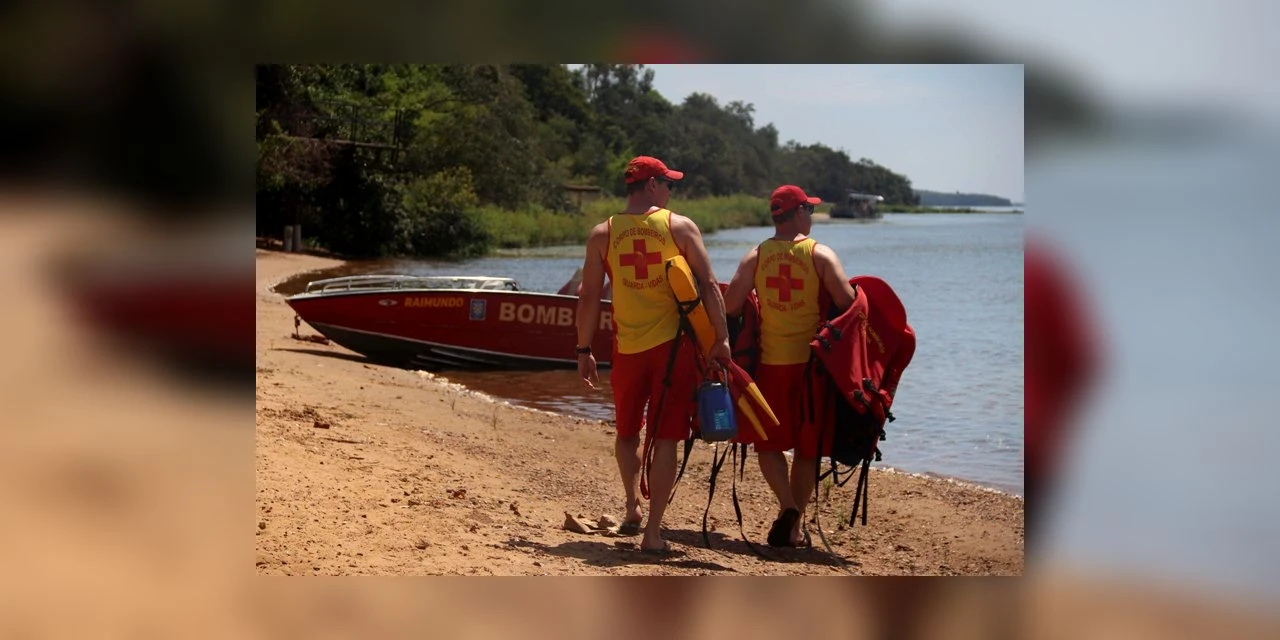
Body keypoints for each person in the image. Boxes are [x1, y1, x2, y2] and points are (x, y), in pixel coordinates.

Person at [575, 155, 732, 554]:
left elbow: (589, 296)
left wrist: (583, 348)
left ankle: (632, 506)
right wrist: (722, 338)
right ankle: (653, 533)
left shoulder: (602, 234)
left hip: (627, 350)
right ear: (650, 185)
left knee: (627, 433)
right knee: (665, 438)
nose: (670, 191)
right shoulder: (679, 227)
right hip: (673, 350)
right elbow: (709, 285)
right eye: (667, 184)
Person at [722, 185, 857, 547]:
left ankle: (787, 506)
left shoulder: (756, 256)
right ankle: (794, 524)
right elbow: (848, 302)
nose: (810, 216)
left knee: (768, 444)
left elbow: (731, 304)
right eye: (808, 210)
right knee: (806, 449)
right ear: (798, 213)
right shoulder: (820, 254)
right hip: (813, 368)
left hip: (772, 364)